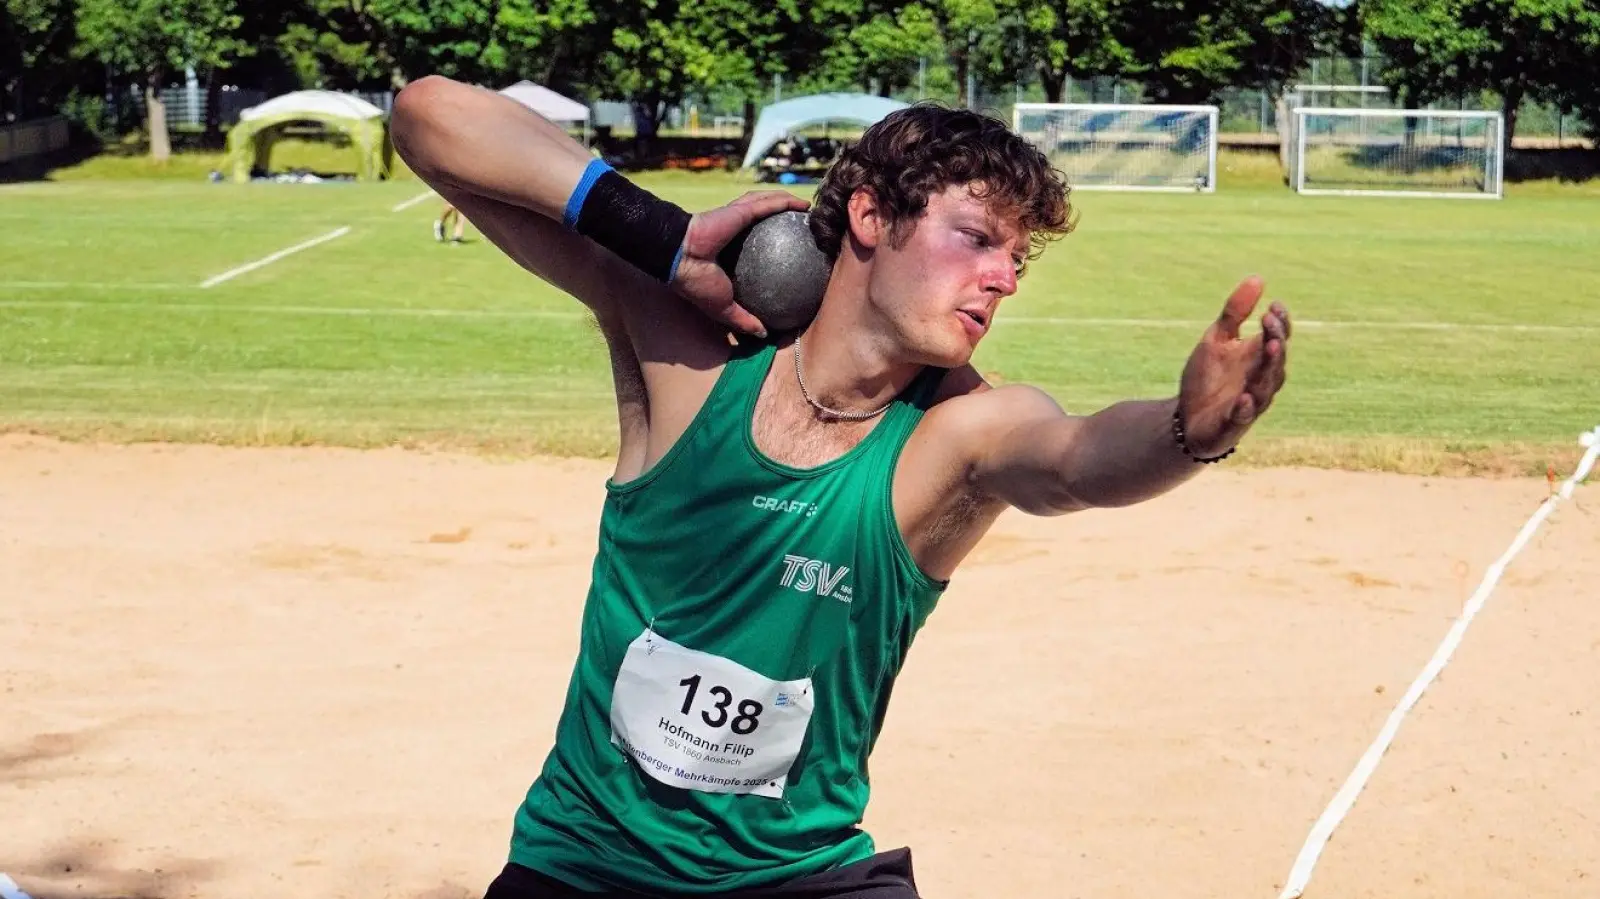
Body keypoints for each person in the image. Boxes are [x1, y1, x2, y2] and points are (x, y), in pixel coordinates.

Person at [390, 77, 1292, 899]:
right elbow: (430, 118)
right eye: (976, 239)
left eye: (1017, 259)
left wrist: (1187, 433)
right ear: (869, 214)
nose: (1004, 278)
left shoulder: (957, 432)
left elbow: (1073, 459)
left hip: (800, 879)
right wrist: (658, 237)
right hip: (584, 864)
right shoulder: (691, 358)